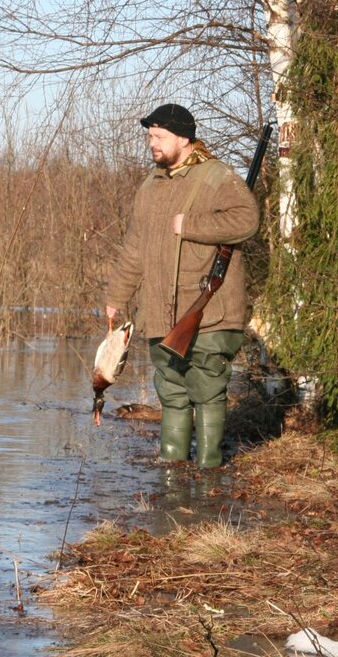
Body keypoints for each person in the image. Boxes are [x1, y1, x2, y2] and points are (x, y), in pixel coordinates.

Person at [104, 103, 260, 468]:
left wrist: (190, 225)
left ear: (184, 138)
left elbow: (247, 218)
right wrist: (116, 296)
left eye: (159, 137)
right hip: (161, 314)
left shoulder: (216, 177)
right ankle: (171, 476)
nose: (151, 143)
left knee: (207, 392)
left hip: (210, 313)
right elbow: (134, 247)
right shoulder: (150, 185)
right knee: (172, 393)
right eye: (149, 136)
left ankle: (209, 475)